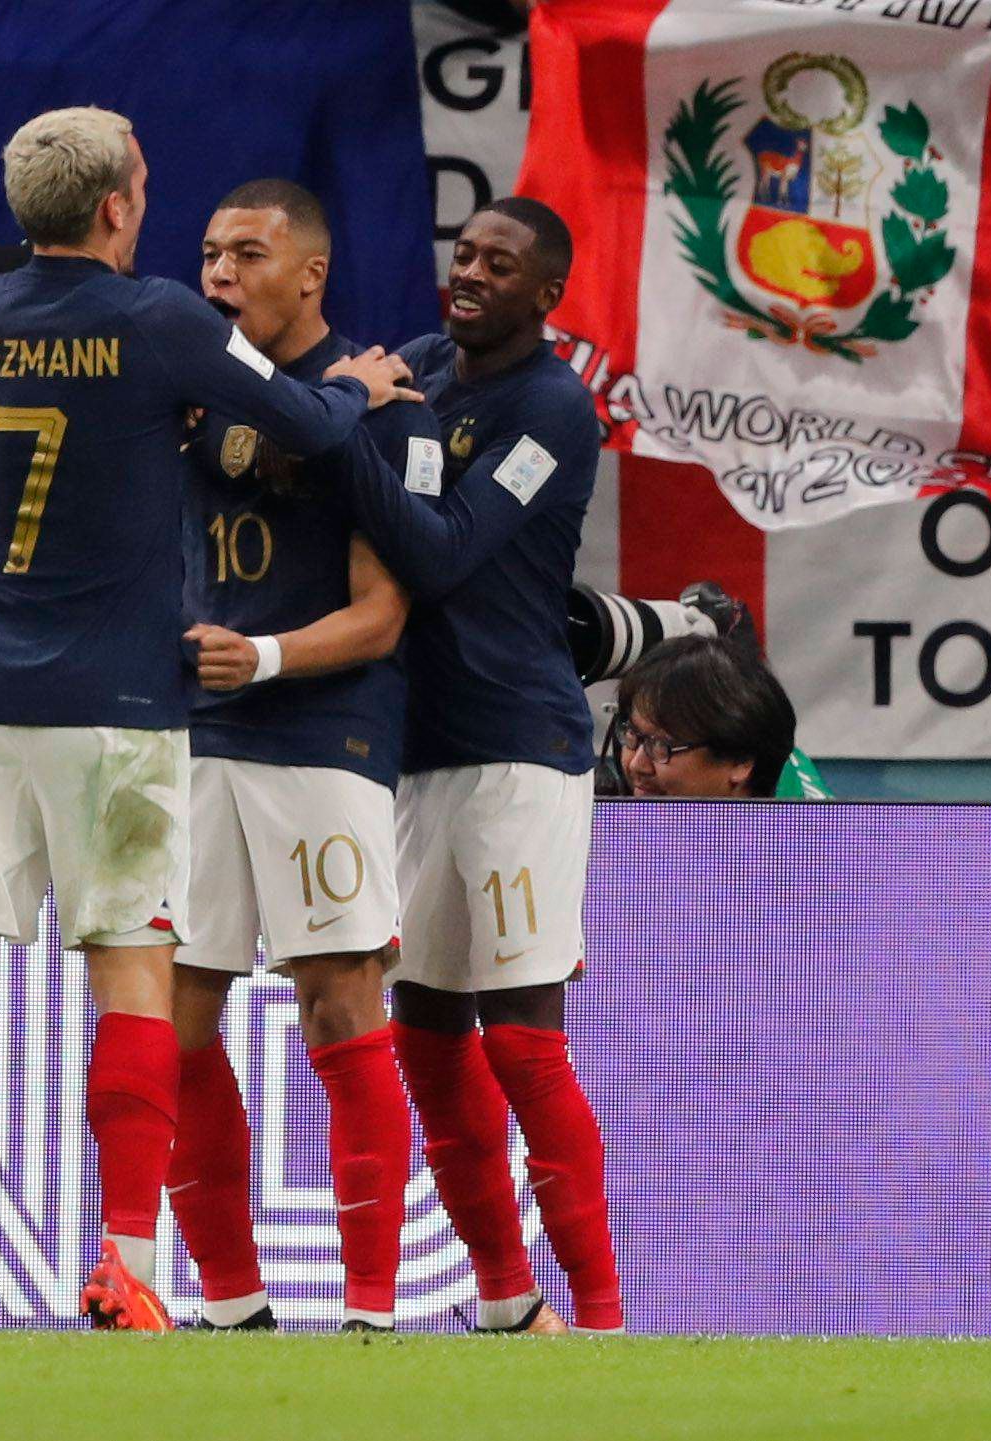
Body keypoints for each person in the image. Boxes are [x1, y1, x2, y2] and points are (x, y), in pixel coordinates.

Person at [0, 106, 416, 1332]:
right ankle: (126, 1262)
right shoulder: (158, 318)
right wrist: (358, 387)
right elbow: (306, 423)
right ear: (118, 207)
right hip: (116, 706)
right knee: (136, 977)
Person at [335, 198, 621, 1334]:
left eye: (501, 266)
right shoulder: (412, 367)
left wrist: (360, 452)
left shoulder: (555, 408)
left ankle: (601, 1322)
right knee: (425, 1039)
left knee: (520, 1037)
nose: (471, 275)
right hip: (416, 756)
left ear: (546, 295)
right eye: (462, 253)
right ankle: (507, 1306)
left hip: (517, 753)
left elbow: (447, 552)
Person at [167, 180, 435, 1333]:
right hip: (191, 741)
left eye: (248, 254)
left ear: (310, 273)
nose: (219, 272)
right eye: (210, 252)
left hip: (321, 737)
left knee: (337, 1002)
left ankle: (370, 1316)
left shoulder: (391, 417)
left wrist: (265, 658)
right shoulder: (184, 384)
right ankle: (229, 1308)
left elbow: (384, 616)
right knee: (172, 1015)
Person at [608, 635, 822, 799]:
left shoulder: (809, 852)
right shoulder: (606, 849)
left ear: (741, 761)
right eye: (632, 735)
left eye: (661, 746)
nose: (637, 764)